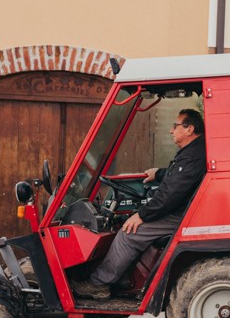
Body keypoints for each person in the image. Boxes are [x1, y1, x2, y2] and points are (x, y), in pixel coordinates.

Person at [72, 109, 207, 300]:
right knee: (131, 221)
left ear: (189, 129)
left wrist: (142, 215)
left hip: (182, 215)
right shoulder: (194, 152)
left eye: (175, 126)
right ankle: (122, 275)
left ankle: (98, 284)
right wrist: (158, 173)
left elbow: (170, 195)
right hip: (185, 210)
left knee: (129, 231)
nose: (171, 130)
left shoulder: (193, 155)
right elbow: (178, 177)